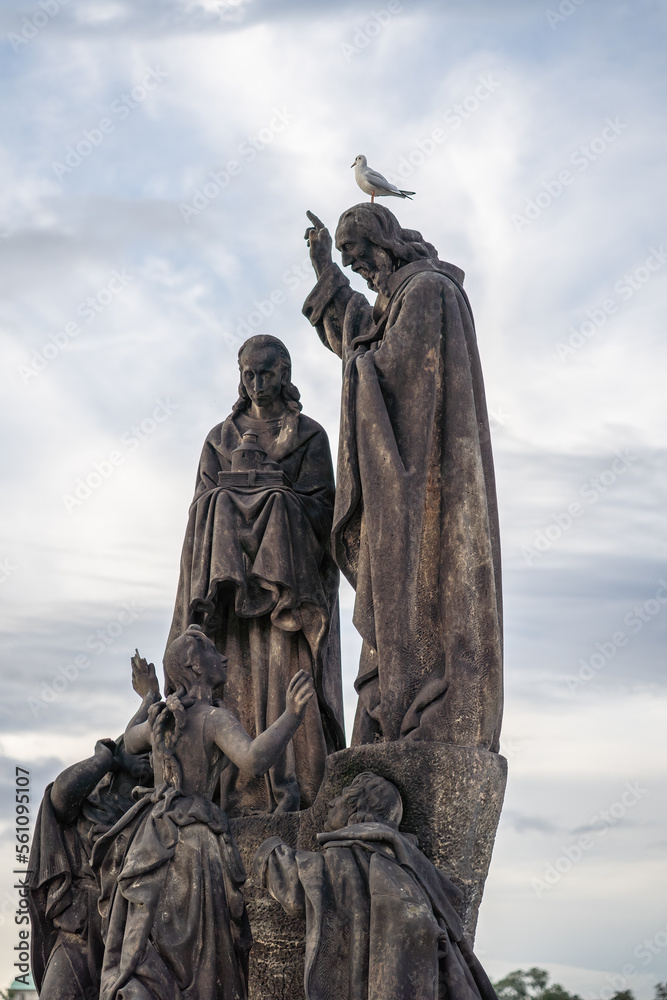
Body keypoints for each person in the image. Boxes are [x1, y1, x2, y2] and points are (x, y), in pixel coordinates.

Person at [302, 204, 503, 750]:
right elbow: (362, 333)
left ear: (385, 241)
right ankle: (388, 708)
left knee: (418, 597)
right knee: (392, 600)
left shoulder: (429, 291)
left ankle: (419, 706)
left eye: (359, 253)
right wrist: (327, 274)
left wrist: (359, 365)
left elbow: (393, 373)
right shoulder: (398, 299)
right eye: (348, 258)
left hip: (421, 492)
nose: (358, 265)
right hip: (401, 492)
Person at [167, 334, 344, 815]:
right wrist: (234, 497)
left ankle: (299, 788)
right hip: (229, 610)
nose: (257, 382)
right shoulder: (219, 439)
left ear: (285, 372)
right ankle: (231, 790)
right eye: (248, 373)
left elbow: (325, 512)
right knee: (221, 501)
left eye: (266, 373)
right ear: (239, 375)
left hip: (286, 602)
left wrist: (276, 490)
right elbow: (199, 510)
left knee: (289, 682)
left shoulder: (309, 436)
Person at [94, 624, 315, 1000]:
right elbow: (255, 759)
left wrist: (148, 697)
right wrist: (292, 716)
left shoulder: (161, 717)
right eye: (214, 651)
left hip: (151, 839)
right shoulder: (214, 719)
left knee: (144, 947)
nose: (225, 657)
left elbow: (128, 742)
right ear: (195, 666)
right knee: (203, 960)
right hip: (196, 846)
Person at [254, 771, 500, 1000]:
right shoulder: (406, 865)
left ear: (357, 810)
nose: (330, 803)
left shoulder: (350, 858)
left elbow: (298, 891)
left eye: (341, 796)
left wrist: (270, 845)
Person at [28, 653, 158, 1000]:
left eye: (153, 750)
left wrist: (151, 697)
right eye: (140, 748)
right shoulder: (90, 799)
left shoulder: (149, 810)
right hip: (78, 927)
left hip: (126, 931)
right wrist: (108, 755)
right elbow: (57, 797)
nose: (148, 756)